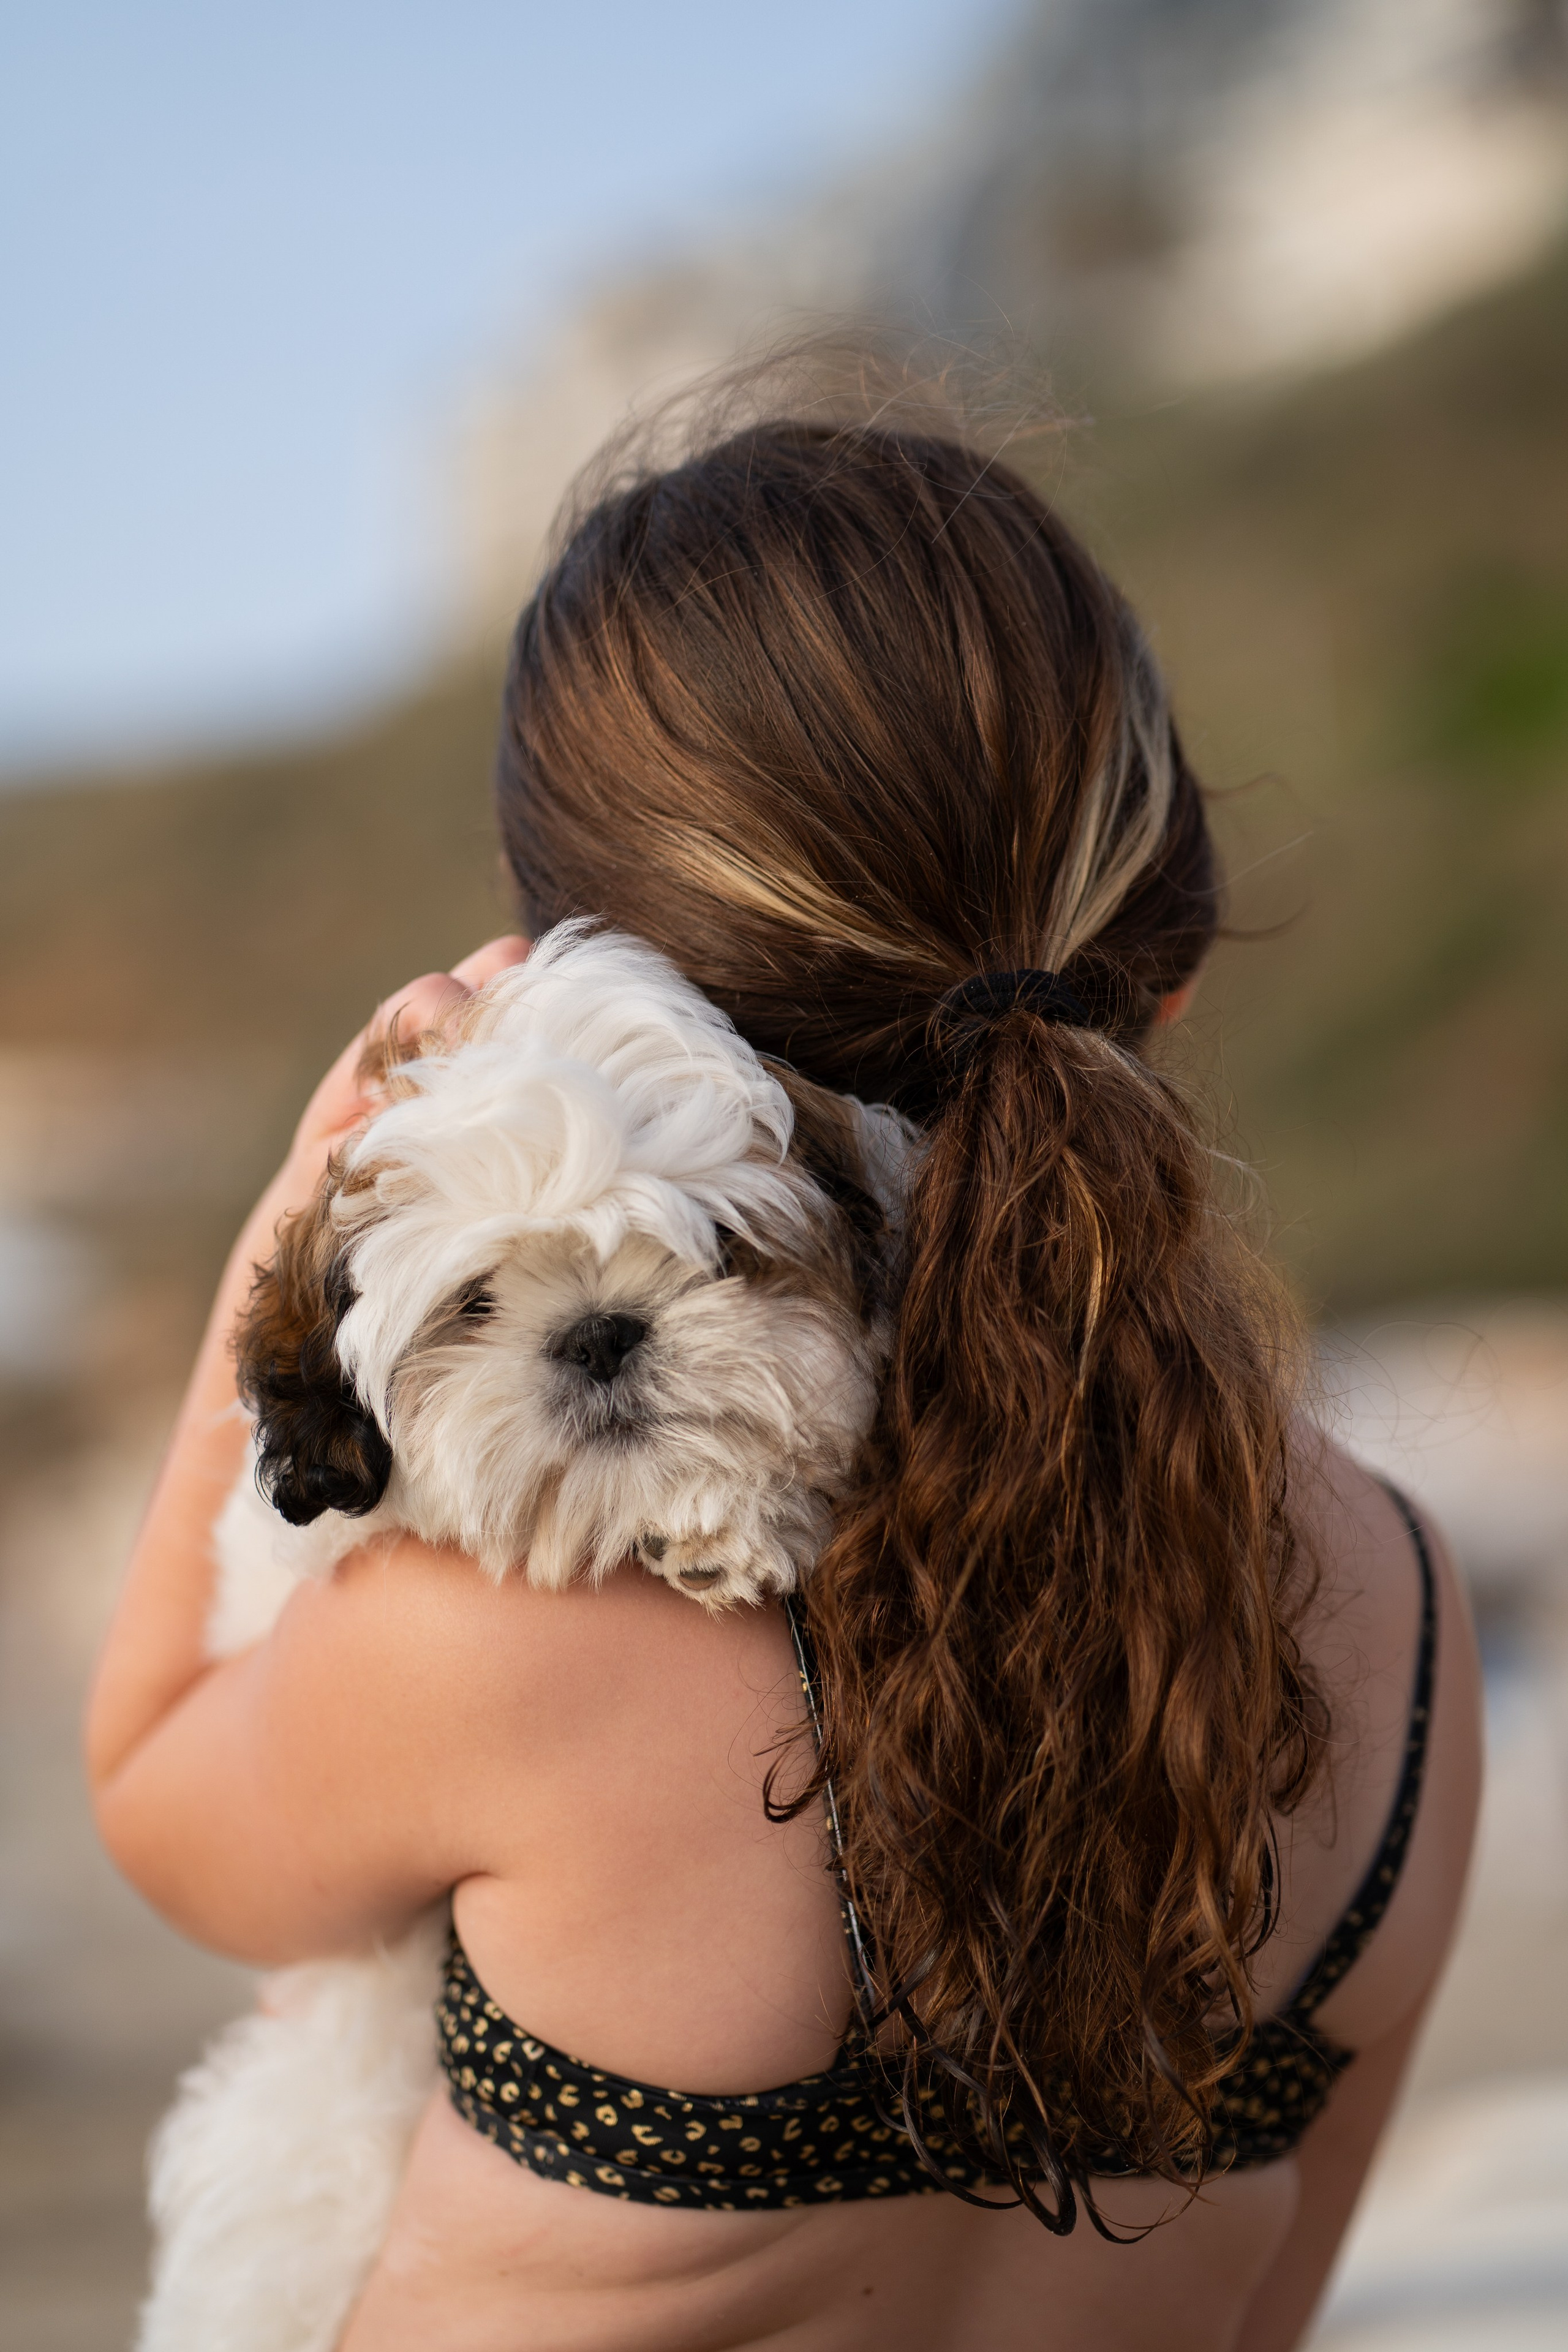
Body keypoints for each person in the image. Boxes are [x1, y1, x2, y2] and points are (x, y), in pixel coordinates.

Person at [88, 394, 1481, 2351]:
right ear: (1158, 963)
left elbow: (161, 1804)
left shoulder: (517, 1638)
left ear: (564, 969)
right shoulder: (1407, 1625)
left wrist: (295, 1225)